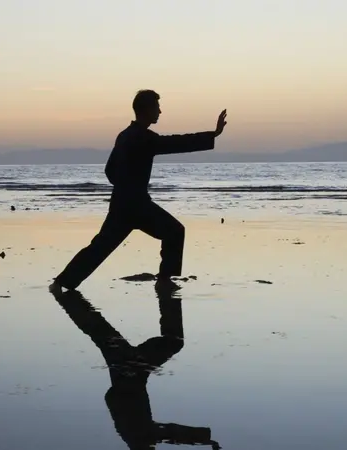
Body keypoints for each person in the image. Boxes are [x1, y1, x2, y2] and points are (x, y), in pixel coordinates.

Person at [51, 89, 228, 292]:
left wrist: (124, 186)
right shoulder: (143, 137)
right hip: (137, 205)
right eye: (157, 107)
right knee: (174, 231)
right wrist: (213, 134)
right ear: (146, 110)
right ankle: (163, 280)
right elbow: (176, 143)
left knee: (100, 246)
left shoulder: (124, 135)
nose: (160, 112)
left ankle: (60, 282)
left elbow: (109, 170)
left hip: (121, 204)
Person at [49, 287, 221, 450]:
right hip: (129, 375)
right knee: (102, 334)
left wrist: (203, 437)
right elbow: (169, 434)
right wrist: (203, 438)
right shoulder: (136, 440)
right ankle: (66, 297)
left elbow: (169, 433)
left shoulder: (140, 440)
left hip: (130, 374)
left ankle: (65, 297)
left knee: (170, 341)